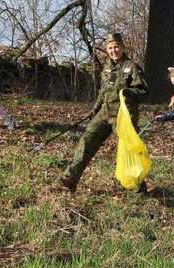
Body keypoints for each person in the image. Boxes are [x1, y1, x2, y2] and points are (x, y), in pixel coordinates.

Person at [60, 33, 149, 194]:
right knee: (88, 139)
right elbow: (103, 93)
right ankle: (71, 178)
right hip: (105, 112)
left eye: (116, 47)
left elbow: (144, 91)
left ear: (122, 47)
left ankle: (138, 187)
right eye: (110, 48)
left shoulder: (132, 67)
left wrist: (129, 92)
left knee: (129, 150)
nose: (113, 50)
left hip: (123, 116)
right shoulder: (107, 68)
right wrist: (94, 110)